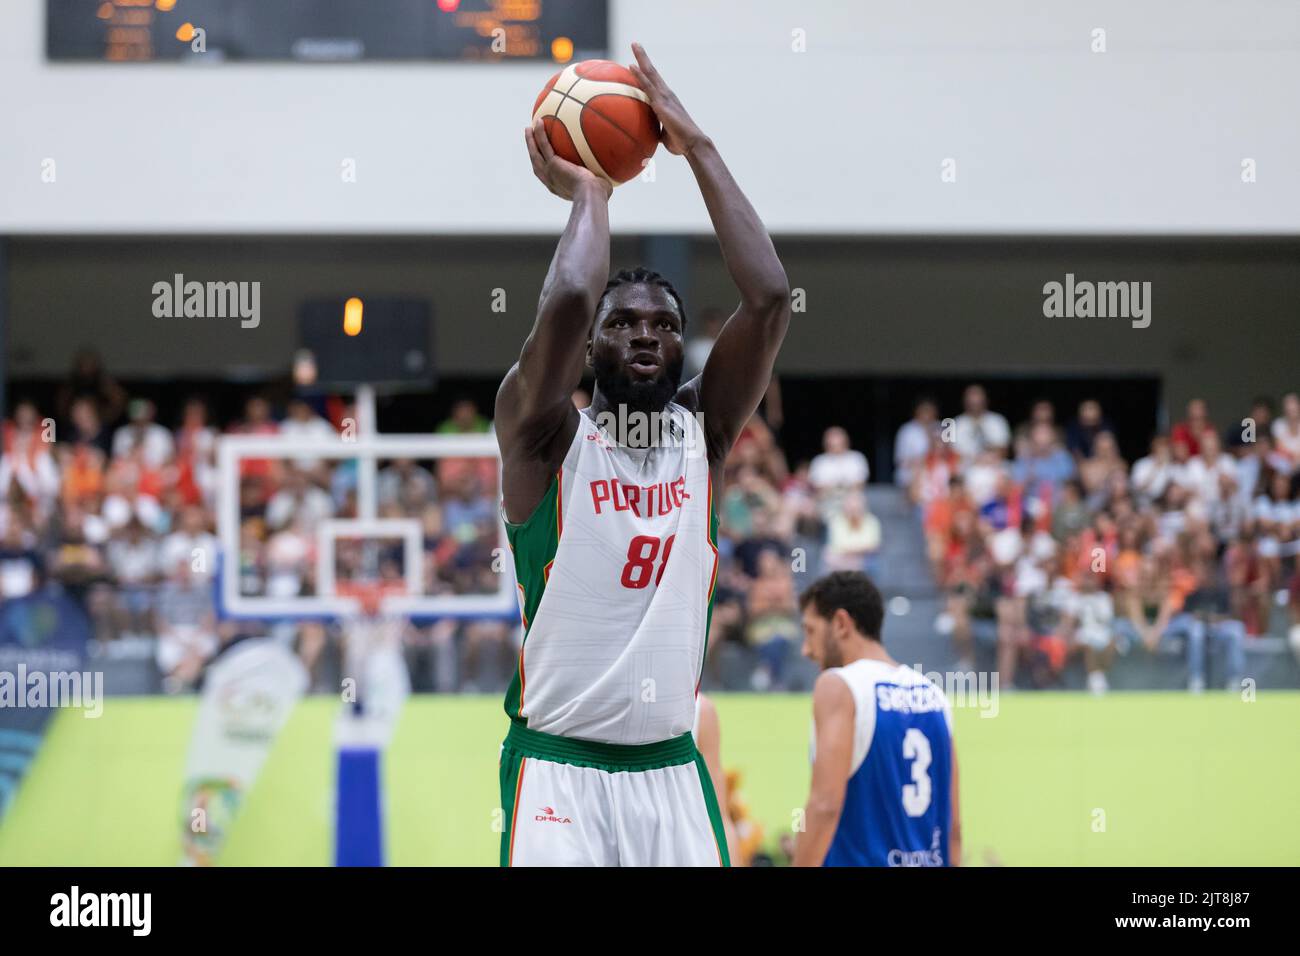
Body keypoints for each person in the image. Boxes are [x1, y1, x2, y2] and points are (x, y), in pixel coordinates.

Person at [493, 43, 789, 867]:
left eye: (663, 322)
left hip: (670, 771)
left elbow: (768, 297)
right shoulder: (544, 434)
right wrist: (591, 192)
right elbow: (569, 297)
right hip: (560, 768)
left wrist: (698, 147)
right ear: (591, 349)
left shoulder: (705, 435)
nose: (647, 334)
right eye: (625, 324)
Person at [793, 572, 961, 867]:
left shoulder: (839, 685)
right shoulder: (934, 695)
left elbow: (824, 807)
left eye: (810, 631)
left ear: (841, 623)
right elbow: (953, 827)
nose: (806, 650)